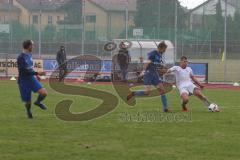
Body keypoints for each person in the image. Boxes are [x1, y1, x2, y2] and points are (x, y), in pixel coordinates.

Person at [127, 41, 170, 112]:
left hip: (155, 74)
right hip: (149, 74)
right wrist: (143, 71)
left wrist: (163, 68)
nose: (165, 51)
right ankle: (133, 93)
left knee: (162, 90)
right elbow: (147, 62)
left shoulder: (160, 55)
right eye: (164, 49)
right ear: (161, 48)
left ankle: (165, 108)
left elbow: (156, 64)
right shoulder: (153, 53)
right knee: (147, 92)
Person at [17, 40, 47, 119]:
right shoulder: (20, 57)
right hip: (23, 81)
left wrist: (36, 76)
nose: (33, 46)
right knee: (28, 102)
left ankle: (38, 102)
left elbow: (30, 68)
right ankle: (28, 111)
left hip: (31, 78)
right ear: (29, 46)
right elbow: (25, 71)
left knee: (44, 93)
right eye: (32, 45)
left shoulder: (29, 55)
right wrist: (37, 73)